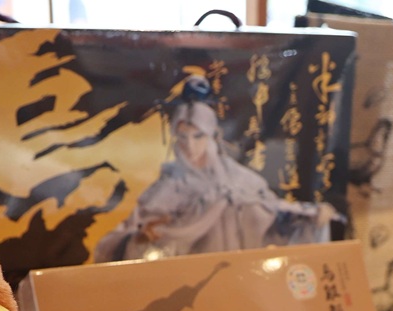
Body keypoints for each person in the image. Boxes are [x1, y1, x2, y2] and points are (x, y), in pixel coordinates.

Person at [93, 81, 337, 263]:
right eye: (183, 137)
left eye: (197, 136)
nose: (190, 145)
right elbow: (120, 241)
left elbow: (272, 225)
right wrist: (143, 238)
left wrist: (308, 219)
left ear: (212, 135)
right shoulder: (167, 187)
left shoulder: (240, 181)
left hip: (238, 276)